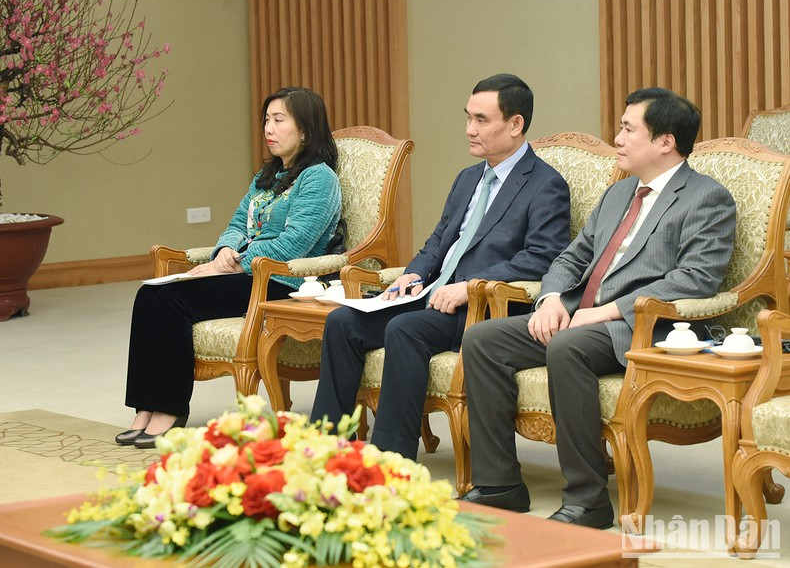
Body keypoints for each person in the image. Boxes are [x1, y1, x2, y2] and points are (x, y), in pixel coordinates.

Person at [459, 88, 737, 527]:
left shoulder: (706, 197)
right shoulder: (619, 193)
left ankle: (588, 500)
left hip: (643, 328)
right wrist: (550, 298)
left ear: (666, 141)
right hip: (578, 317)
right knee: (482, 339)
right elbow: (571, 257)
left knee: (567, 347)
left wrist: (607, 311)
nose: (618, 138)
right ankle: (499, 484)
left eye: (628, 129)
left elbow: (696, 279)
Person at [309, 73, 571, 460]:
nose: (470, 129)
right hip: (432, 292)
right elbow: (438, 242)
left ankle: (390, 458)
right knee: (343, 322)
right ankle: (325, 447)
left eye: (482, 120)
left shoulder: (545, 184)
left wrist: (470, 286)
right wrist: (413, 274)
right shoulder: (467, 179)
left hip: (479, 306)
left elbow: (543, 256)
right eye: (468, 118)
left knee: (405, 328)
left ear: (515, 124)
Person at [116, 87, 342, 448]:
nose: (269, 128)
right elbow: (238, 222)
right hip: (246, 272)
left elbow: (294, 244)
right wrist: (223, 250)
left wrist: (232, 265)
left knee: (174, 300)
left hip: (283, 281)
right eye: (266, 119)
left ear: (305, 129)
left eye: (279, 120)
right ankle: (144, 407)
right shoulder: (268, 175)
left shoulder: (319, 178)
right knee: (150, 294)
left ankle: (170, 409)